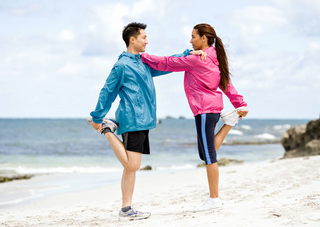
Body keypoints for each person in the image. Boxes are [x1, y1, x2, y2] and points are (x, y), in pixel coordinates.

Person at [140, 23, 248, 212]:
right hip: (210, 109)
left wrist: (142, 56)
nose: (191, 40)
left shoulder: (198, 60)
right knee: (205, 152)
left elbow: (167, 63)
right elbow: (226, 84)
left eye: (193, 36)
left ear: (203, 38)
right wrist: (239, 104)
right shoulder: (213, 58)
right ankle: (229, 123)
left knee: (209, 156)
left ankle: (214, 199)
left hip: (206, 110)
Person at [88, 22, 188, 220]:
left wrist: (186, 54)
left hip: (143, 120)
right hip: (132, 118)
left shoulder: (144, 62)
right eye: (144, 37)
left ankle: (126, 208)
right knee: (133, 165)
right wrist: (98, 117)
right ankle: (107, 129)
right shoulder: (121, 66)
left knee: (131, 167)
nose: (147, 41)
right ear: (132, 39)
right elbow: (107, 91)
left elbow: (168, 63)